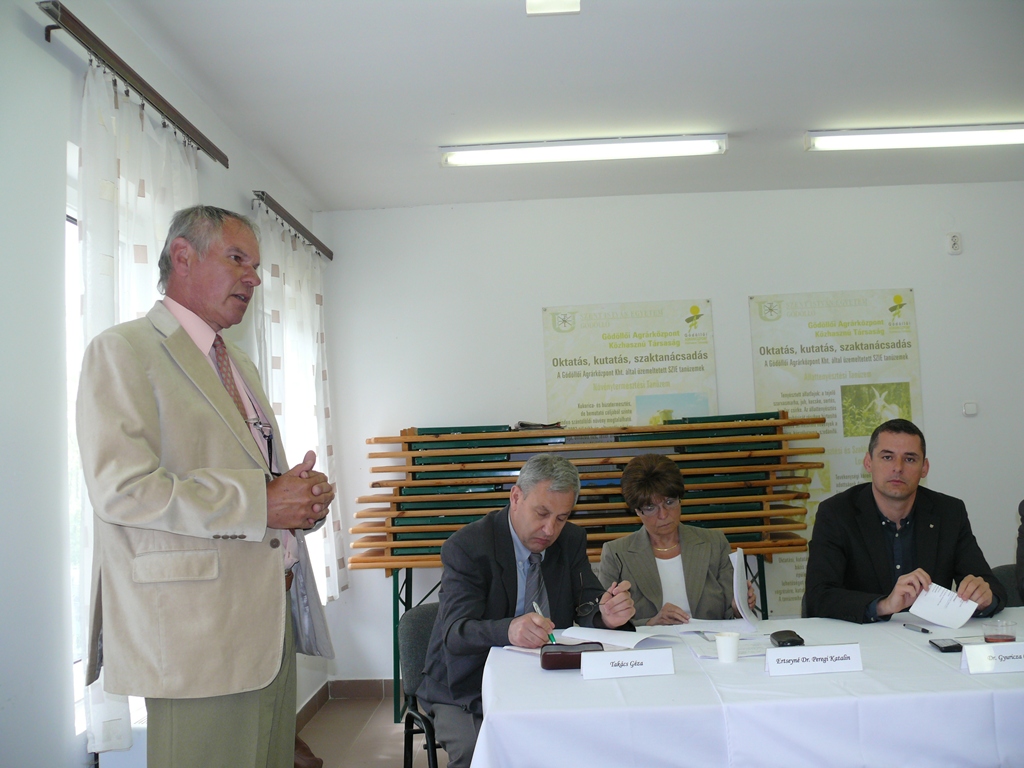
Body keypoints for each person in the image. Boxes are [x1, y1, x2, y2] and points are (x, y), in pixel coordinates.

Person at [76, 206, 335, 768]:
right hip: (195, 634)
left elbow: (251, 477)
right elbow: (122, 488)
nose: (253, 278)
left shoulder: (237, 361)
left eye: (257, 266)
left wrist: (297, 501)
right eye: (238, 259)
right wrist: (262, 501)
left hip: (269, 617)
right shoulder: (123, 350)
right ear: (183, 257)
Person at [416, 455, 635, 768]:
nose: (549, 529)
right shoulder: (468, 546)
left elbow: (587, 601)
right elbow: (456, 632)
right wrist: (508, 630)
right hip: (465, 682)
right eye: (542, 513)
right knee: (476, 750)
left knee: (595, 737)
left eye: (561, 518)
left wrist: (606, 615)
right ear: (516, 497)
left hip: (545, 676)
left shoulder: (570, 540)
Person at [805, 418, 1005, 623]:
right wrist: (884, 605)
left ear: (924, 468)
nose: (898, 468)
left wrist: (985, 598)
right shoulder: (836, 513)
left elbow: (992, 587)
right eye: (887, 457)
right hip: (861, 636)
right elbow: (818, 596)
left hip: (928, 636)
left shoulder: (949, 513)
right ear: (868, 462)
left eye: (909, 459)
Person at [599, 453, 756, 625]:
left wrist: (740, 608)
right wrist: (652, 623)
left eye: (669, 502)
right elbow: (605, 622)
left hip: (710, 640)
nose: (663, 515)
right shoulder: (616, 554)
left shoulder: (714, 544)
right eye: (650, 507)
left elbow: (732, 616)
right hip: (651, 642)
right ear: (637, 511)